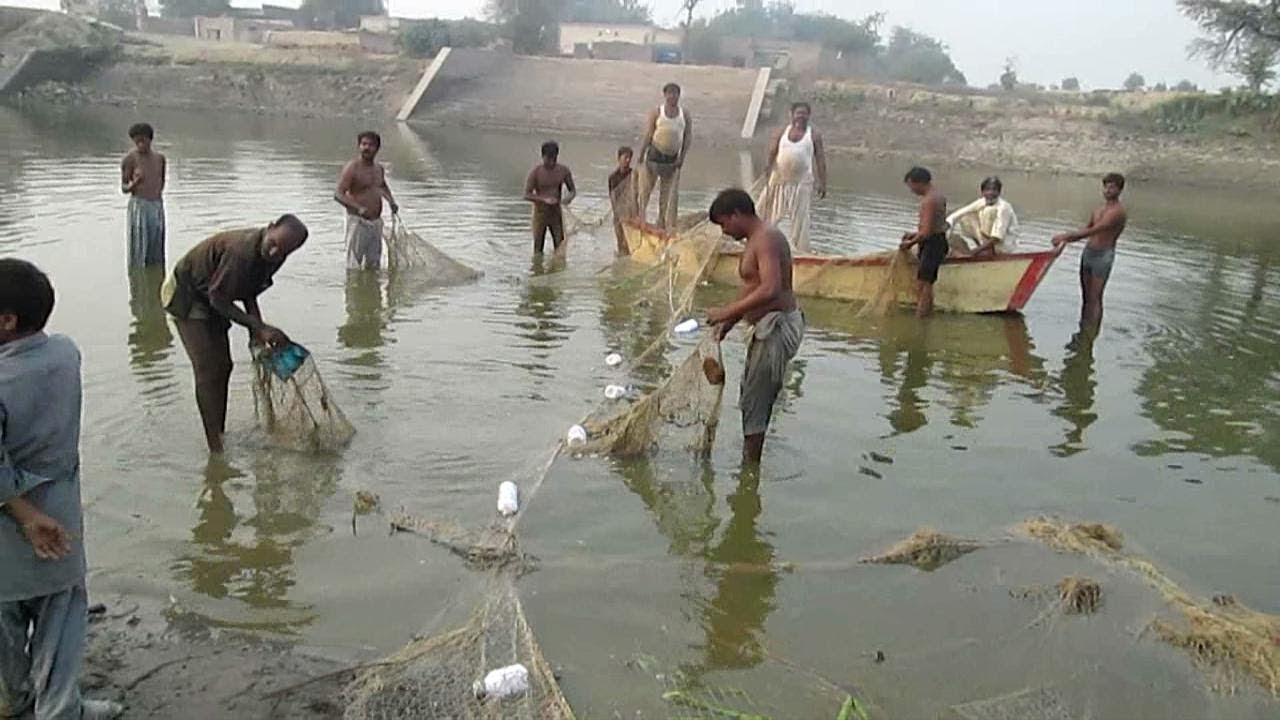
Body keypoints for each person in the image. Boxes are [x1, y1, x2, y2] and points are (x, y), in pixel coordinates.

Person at [1, 259, 123, 720]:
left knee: (4, 615)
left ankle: (14, 698)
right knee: (60, 612)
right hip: (56, 509)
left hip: (12, 516)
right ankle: (58, 708)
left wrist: (23, 515)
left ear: (7, 321)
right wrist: (32, 517)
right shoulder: (66, 354)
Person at [161, 215, 309, 453]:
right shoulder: (241, 250)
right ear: (270, 227)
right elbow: (218, 298)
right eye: (273, 244)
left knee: (224, 366)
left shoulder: (275, 255)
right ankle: (215, 447)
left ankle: (219, 433)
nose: (274, 252)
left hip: (213, 294)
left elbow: (249, 290)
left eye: (283, 251)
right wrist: (260, 327)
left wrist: (256, 330)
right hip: (187, 295)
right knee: (208, 369)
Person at [706, 189, 804, 465]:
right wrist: (729, 322)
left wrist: (726, 311)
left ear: (737, 214)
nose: (725, 232)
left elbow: (771, 288)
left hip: (776, 327)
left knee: (756, 399)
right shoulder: (755, 240)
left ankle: (750, 468)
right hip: (765, 326)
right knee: (750, 396)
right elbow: (752, 287)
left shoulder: (767, 238)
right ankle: (749, 464)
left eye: (724, 223)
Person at [1053, 173, 1128, 330]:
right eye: (1106, 187)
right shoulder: (1098, 209)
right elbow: (1087, 229)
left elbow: (1095, 230)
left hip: (1103, 256)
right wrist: (1066, 240)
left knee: (1095, 297)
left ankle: (1092, 331)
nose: (1107, 191)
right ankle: (1084, 327)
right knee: (1086, 296)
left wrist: (1066, 237)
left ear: (1120, 190)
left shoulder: (1117, 212)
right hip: (1088, 252)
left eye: (1112, 187)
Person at [759, 102, 827, 253]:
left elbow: (820, 159)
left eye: (804, 113)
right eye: (798, 113)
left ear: (809, 116)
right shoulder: (781, 132)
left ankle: (800, 250)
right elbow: (772, 152)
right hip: (779, 180)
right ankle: (760, 242)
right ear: (791, 114)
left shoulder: (813, 135)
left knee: (800, 219)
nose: (801, 116)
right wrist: (767, 169)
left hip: (802, 182)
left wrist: (823, 183)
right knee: (767, 212)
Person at [335, 131, 398, 271]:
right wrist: (358, 208)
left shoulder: (378, 169)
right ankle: (354, 285)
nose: (366, 148)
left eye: (370, 145)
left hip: (376, 223)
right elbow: (338, 194)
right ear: (359, 146)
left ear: (377, 148)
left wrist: (391, 201)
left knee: (374, 264)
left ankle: (372, 284)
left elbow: (382, 185)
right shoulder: (352, 168)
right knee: (353, 266)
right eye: (363, 144)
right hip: (358, 221)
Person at [638, 82, 693, 231]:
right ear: (665, 95)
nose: (672, 96)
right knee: (645, 190)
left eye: (675, 93)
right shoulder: (657, 112)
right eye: (669, 93)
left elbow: (687, 137)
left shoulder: (684, 114)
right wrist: (641, 154)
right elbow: (649, 134)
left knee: (666, 195)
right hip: (654, 156)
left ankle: (661, 222)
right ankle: (641, 218)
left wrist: (682, 157)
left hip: (672, 160)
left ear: (679, 96)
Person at [899, 167, 949, 318]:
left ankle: (920, 319)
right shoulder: (938, 196)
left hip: (932, 245)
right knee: (927, 283)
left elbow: (926, 233)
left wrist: (909, 244)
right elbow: (935, 226)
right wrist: (914, 234)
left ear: (919, 183)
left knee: (923, 285)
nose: (912, 190)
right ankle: (928, 316)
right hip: (938, 241)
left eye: (911, 186)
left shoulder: (929, 201)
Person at [121, 122, 166, 269]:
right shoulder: (130, 159)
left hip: (156, 205)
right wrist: (135, 184)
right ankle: (139, 276)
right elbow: (124, 188)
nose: (140, 144)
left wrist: (156, 198)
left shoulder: (160, 159)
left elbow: (161, 181)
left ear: (150, 140)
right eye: (137, 141)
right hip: (139, 206)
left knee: (156, 247)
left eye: (143, 141)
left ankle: (156, 272)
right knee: (140, 248)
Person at [523, 140, 576, 255]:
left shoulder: (563, 171)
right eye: (548, 159)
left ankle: (558, 264)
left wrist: (568, 198)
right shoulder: (536, 172)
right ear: (543, 156)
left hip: (556, 214)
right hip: (540, 214)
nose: (551, 162)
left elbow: (572, 190)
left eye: (554, 159)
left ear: (557, 156)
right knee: (538, 248)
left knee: (560, 246)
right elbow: (526, 194)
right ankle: (538, 266)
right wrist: (544, 199)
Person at [946, 176, 1019, 256]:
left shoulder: (1003, 208)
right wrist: (947, 227)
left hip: (1003, 246)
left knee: (989, 212)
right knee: (966, 215)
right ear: (982, 192)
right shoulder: (981, 202)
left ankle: (987, 251)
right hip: (988, 242)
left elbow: (997, 238)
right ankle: (983, 248)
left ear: (999, 192)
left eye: (994, 190)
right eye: (987, 190)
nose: (990, 193)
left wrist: (972, 252)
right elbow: (958, 214)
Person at [608, 146, 638, 256]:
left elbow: (636, 194)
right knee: (620, 242)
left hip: (631, 211)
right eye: (625, 157)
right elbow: (612, 197)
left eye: (629, 158)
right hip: (618, 212)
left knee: (630, 242)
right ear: (619, 158)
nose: (628, 160)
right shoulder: (613, 177)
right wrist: (617, 213)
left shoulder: (633, 175)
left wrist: (634, 213)